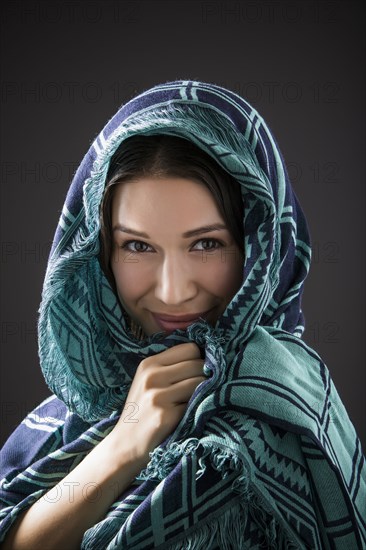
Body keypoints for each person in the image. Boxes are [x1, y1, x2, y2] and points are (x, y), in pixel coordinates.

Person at [0, 80, 365, 549]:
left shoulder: (271, 429)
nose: (172, 293)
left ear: (259, 245)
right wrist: (122, 447)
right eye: (137, 246)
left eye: (206, 244)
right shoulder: (85, 409)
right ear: (99, 254)